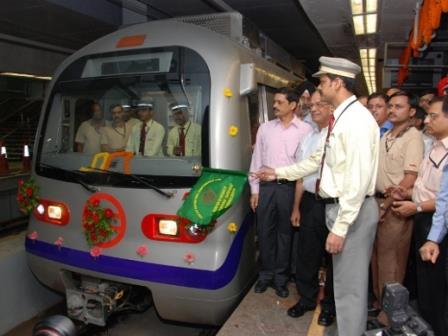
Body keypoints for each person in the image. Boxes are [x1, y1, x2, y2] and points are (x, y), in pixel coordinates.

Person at [255, 56, 380, 336]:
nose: (318, 89)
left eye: (322, 82)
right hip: (339, 208)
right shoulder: (341, 119)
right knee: (346, 285)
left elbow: (357, 182)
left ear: (337, 83)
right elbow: (315, 160)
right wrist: (277, 173)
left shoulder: (357, 121)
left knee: (350, 289)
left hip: (352, 210)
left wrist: (341, 226)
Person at [392, 96, 448, 335]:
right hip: (425, 220)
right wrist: (407, 192)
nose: (427, 120)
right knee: (426, 285)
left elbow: (444, 199)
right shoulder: (434, 146)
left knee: (440, 289)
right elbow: (427, 186)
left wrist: (415, 207)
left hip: (439, 224)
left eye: (433, 116)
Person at [249, 87, 312, 298]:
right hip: (266, 188)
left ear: (293, 105)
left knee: (285, 235)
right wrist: (254, 190)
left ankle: (281, 279)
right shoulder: (265, 129)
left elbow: (306, 165)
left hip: (289, 187)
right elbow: (257, 159)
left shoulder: (305, 130)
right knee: (265, 232)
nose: (274, 105)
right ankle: (265, 276)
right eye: (274, 101)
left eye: (279, 102)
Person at [371, 91, 424, 325]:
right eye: (390, 106)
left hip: (394, 207)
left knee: (391, 262)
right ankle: (378, 304)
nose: (392, 110)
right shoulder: (388, 135)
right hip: (378, 201)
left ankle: (389, 316)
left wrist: (386, 205)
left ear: (411, 111)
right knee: (377, 259)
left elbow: (409, 178)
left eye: (398, 107)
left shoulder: (413, 137)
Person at [287, 90, 335, 326]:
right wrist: (296, 208)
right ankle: (306, 299)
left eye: (320, 104)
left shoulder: (339, 137)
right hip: (309, 202)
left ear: (333, 108)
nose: (313, 108)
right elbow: (300, 176)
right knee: (307, 254)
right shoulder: (308, 138)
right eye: (312, 104)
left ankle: (329, 306)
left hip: (333, 203)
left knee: (334, 258)